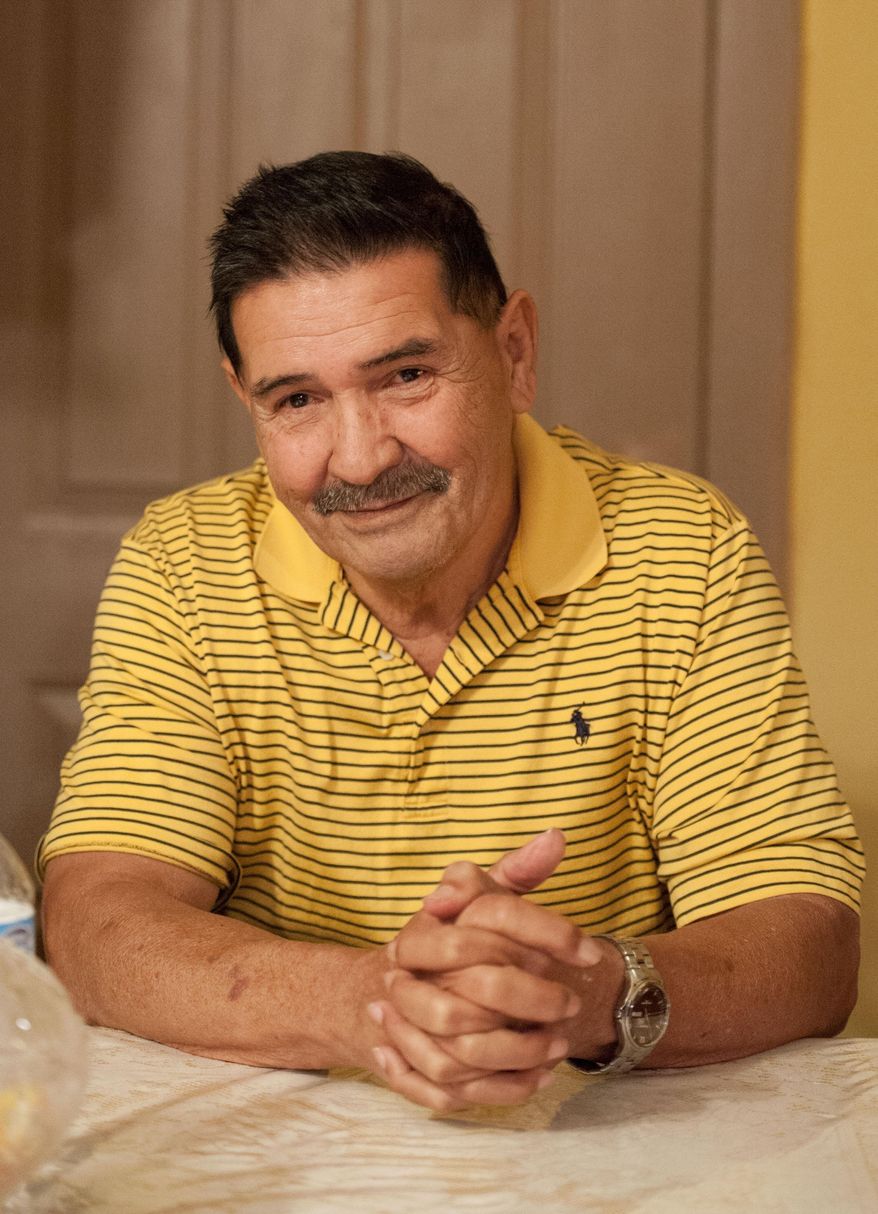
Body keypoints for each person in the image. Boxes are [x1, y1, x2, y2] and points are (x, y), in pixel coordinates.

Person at [39, 152, 863, 1113]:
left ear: (514, 351)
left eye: (407, 375)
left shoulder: (684, 547)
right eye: (297, 399)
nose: (360, 455)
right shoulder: (183, 560)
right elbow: (98, 922)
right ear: (245, 398)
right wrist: (371, 1005)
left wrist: (589, 994)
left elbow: (806, 944)